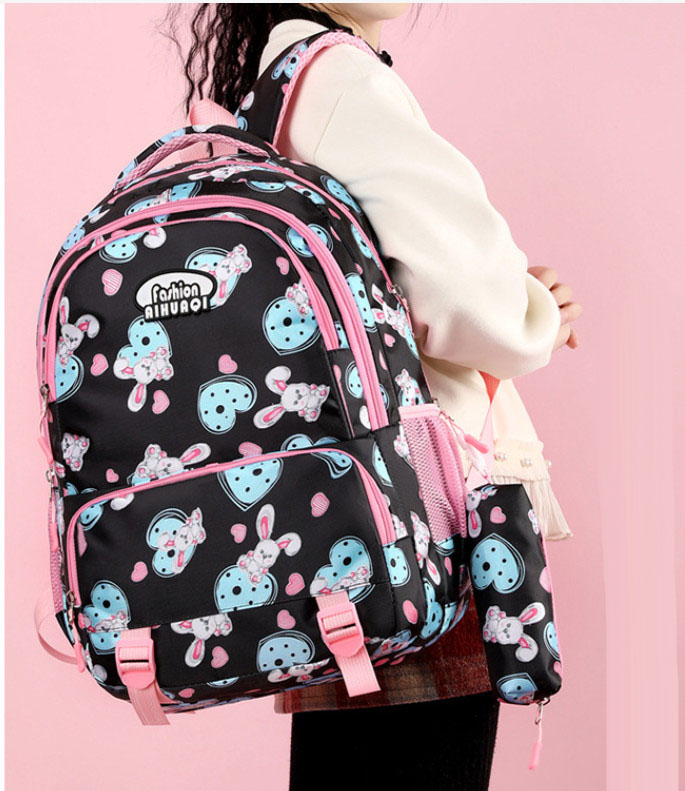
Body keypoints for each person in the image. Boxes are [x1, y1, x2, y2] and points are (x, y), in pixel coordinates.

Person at [165, 4, 583, 788]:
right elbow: (466, 294)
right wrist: (530, 311)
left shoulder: (279, 86)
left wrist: (508, 299)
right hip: (418, 513)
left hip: (336, 517)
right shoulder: (340, 79)